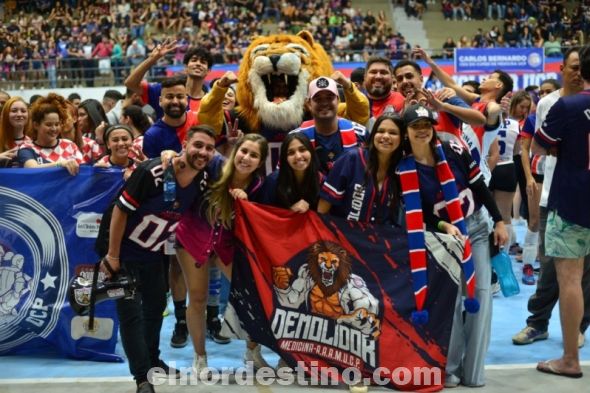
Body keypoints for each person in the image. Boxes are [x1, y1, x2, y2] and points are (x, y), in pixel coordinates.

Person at [98, 125, 218, 393]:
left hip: (152, 251)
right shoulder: (153, 172)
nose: (203, 152)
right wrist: (113, 255)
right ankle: (142, 378)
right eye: (198, 145)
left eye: (209, 148)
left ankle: (152, 360)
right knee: (130, 316)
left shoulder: (201, 180)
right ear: (185, 143)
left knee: (154, 309)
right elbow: (120, 211)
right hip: (122, 250)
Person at [400, 104, 507, 387]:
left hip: (476, 228)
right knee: (453, 300)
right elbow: (420, 212)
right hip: (443, 239)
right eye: (415, 126)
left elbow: (479, 186)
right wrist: (442, 226)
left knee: (479, 298)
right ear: (406, 131)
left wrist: (499, 221)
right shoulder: (404, 169)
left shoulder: (453, 151)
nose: (422, 130)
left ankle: (473, 372)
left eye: (427, 124)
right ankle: (448, 366)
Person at [174, 134, 268, 376]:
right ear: (235, 150)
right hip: (193, 237)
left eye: (254, 155)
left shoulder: (258, 186)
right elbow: (187, 155)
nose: (246, 158)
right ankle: (200, 357)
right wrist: (168, 155)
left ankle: (252, 351)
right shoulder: (216, 164)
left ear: (261, 162)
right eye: (243, 151)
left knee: (251, 297)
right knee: (197, 298)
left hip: (226, 245)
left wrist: (247, 205)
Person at [513, 47, 589, 349]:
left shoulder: (572, 106)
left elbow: (551, 145)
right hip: (554, 195)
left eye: (580, 67)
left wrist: (562, 145)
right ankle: (537, 323)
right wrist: (532, 183)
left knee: (584, 274)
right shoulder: (548, 103)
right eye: (572, 66)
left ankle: (578, 327)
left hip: (578, 194)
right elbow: (535, 147)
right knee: (548, 268)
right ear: (563, 68)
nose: (576, 71)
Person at [318, 113, 404, 225]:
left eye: (393, 133)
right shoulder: (351, 159)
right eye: (381, 131)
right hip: (344, 235)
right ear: (373, 135)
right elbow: (325, 203)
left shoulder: (402, 168)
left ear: (402, 138)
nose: (386, 136)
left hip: (381, 237)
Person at [292, 76, 367, 174]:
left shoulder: (361, 134)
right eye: (318, 99)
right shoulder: (294, 139)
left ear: (338, 100)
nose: (324, 103)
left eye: (329, 97)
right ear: (309, 104)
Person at [125, 43, 213, 119]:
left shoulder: (210, 102)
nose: (198, 64)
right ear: (186, 67)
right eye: (194, 60)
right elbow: (130, 83)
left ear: (208, 71)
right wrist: (152, 59)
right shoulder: (165, 91)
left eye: (203, 62)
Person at [17, 93, 83, 176]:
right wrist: (61, 164)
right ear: (36, 125)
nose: (54, 129)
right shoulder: (27, 148)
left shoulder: (69, 145)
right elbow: (32, 169)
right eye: (48, 124)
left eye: (57, 124)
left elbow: (83, 171)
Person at [261, 132, 322, 212]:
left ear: (311, 152)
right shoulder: (273, 181)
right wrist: (290, 212)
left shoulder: (322, 181)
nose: (298, 156)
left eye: (302, 150)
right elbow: (265, 215)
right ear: (285, 158)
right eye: (291, 153)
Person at [0, 96, 30, 167]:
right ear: (6, 114)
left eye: (23, 111)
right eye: (14, 111)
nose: (19, 114)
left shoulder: (32, 142)